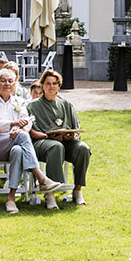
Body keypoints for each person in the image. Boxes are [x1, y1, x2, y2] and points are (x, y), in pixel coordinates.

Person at [0, 67, 67, 214]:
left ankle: (11, 199)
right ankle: (41, 178)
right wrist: (12, 125)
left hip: (16, 142)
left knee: (18, 150)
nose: (7, 84)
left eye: (10, 81)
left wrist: (20, 129)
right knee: (23, 137)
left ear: (15, 84)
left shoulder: (20, 101)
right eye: (3, 81)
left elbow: (28, 121)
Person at [28, 69, 90, 206]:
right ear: (42, 85)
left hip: (66, 142)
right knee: (55, 146)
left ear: (59, 86)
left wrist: (71, 135)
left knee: (83, 148)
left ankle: (77, 190)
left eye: (54, 84)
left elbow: (76, 127)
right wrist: (47, 135)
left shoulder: (66, 104)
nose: (51, 87)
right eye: (48, 83)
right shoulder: (33, 105)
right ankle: (50, 195)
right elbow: (30, 131)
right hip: (42, 142)